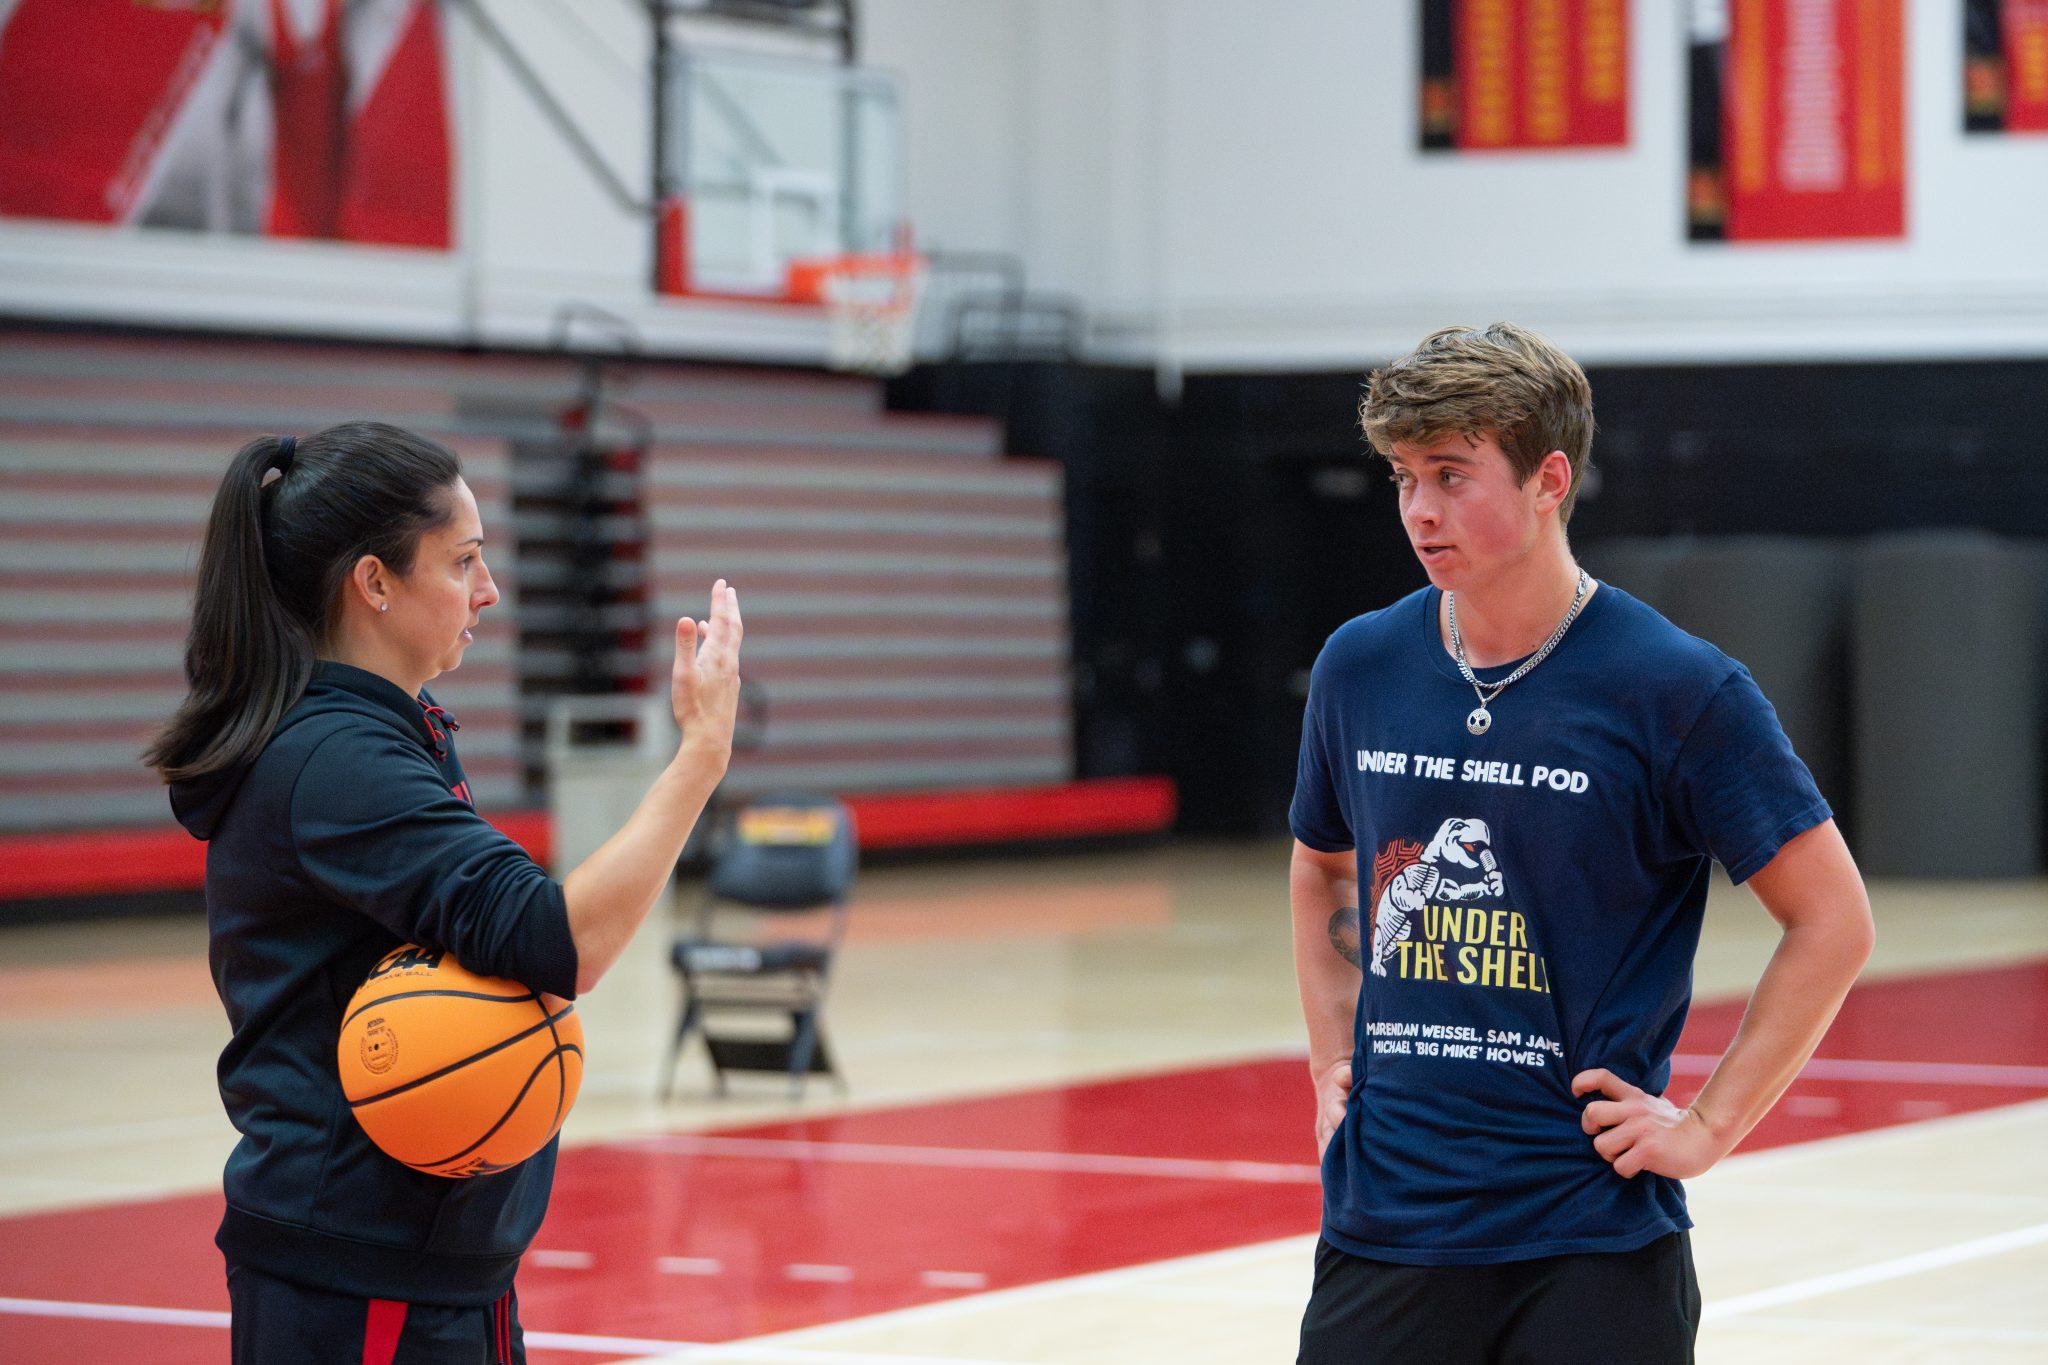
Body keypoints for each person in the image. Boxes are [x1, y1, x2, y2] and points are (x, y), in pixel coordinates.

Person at [1288, 324, 1874, 1363]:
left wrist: (1705, 1128)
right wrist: (1332, 1060)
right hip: (1386, 1223)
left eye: (1451, 475)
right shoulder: (1359, 667)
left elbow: (1829, 920)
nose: (1419, 510)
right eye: (1402, 477)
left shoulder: (1675, 688)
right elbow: (1322, 862)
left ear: (1547, 477)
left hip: (1588, 1244)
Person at [145, 421, 742, 1363]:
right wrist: (699, 758)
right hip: (360, 1274)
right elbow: (561, 939)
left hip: (423, 1262)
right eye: (462, 561)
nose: (488, 589)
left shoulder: (388, 731)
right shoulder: (337, 763)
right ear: (374, 582)